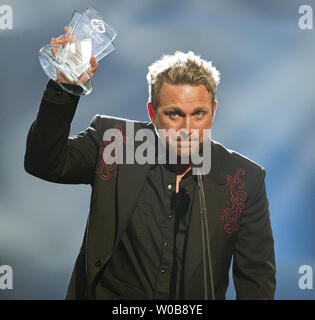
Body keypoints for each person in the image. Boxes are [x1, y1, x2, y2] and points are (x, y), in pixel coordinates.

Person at [24, 28, 276, 300]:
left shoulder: (243, 179)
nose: (187, 128)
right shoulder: (114, 142)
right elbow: (43, 162)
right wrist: (64, 87)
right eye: (174, 114)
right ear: (152, 113)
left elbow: (257, 281)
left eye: (199, 114)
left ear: (213, 111)